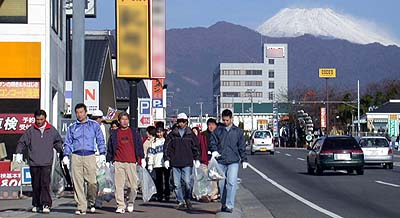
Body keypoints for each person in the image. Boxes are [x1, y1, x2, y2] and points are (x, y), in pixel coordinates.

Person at [15, 110, 63, 214]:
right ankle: (36, 204)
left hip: (46, 162)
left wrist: (60, 151)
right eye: (37, 119)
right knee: (36, 185)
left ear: (45, 118)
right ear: (35, 119)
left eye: (41, 119)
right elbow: (22, 142)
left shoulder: (51, 130)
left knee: (45, 184)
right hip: (34, 162)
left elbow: (58, 141)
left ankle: (46, 204)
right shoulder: (31, 130)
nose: (39, 121)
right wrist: (19, 152)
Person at [63, 103, 106, 215]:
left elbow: (100, 139)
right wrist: (66, 155)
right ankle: (81, 206)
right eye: (77, 112)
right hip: (76, 155)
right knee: (77, 182)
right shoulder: (72, 127)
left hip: (90, 155)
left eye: (81, 112)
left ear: (86, 112)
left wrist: (102, 153)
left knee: (92, 182)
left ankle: (91, 201)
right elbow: (67, 142)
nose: (79, 115)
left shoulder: (94, 125)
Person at [106, 112, 146, 214]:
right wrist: (108, 160)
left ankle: (131, 201)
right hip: (118, 161)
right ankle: (120, 205)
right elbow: (110, 147)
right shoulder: (114, 133)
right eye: (122, 119)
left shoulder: (134, 132)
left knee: (133, 186)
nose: (125, 121)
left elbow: (139, 145)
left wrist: (142, 157)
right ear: (119, 121)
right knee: (119, 185)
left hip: (131, 162)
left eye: (126, 119)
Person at [209, 109, 248, 213]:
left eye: (227, 120)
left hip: (233, 161)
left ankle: (229, 205)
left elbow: (241, 146)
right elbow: (212, 142)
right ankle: (223, 203)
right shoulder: (218, 130)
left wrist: (244, 159)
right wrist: (214, 150)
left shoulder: (238, 131)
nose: (225, 122)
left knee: (231, 183)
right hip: (221, 161)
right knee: (221, 184)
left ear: (231, 118)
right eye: (224, 120)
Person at [164, 113, 200, 210]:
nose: (181, 123)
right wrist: (167, 159)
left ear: (186, 122)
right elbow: (167, 147)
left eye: (183, 121)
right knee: (176, 184)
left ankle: (187, 198)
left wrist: (197, 158)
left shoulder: (190, 134)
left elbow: (196, 147)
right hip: (175, 162)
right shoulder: (172, 134)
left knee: (187, 182)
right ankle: (180, 201)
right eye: (180, 121)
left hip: (187, 162)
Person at [148, 126, 170, 202]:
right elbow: (151, 153)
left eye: (161, 132)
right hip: (157, 164)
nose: (159, 134)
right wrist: (150, 164)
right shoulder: (153, 142)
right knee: (159, 180)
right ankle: (160, 194)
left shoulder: (166, 140)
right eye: (158, 132)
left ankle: (167, 194)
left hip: (165, 163)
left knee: (167, 180)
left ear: (163, 132)